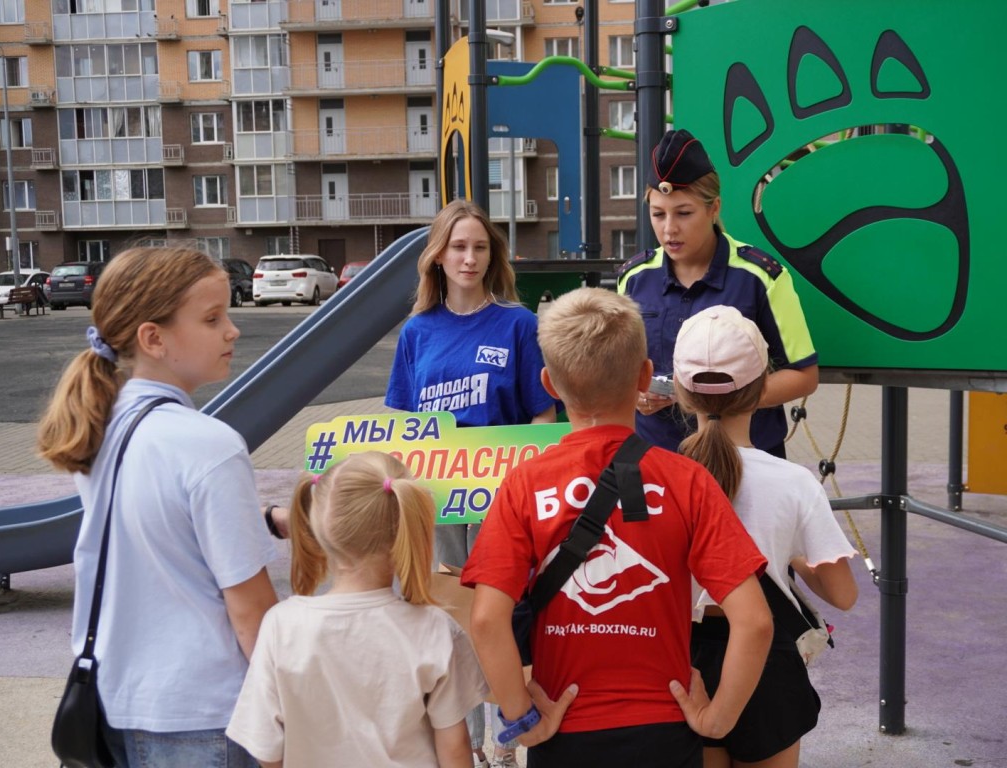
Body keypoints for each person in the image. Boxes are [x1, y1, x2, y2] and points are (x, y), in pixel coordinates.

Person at [462, 287, 775, 768]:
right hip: (665, 730)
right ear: (646, 375)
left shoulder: (524, 483)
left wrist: (522, 717)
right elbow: (754, 622)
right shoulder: (687, 481)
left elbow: (486, 619)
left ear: (548, 382)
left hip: (565, 730)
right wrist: (718, 721)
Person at [36, 246, 279, 766]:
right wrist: (291, 707)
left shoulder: (100, 423)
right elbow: (250, 612)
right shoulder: (209, 444)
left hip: (113, 696)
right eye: (213, 319)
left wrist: (269, 521)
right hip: (202, 712)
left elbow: (158, 530)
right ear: (154, 337)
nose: (233, 331)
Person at [386, 198, 557, 767]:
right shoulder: (417, 332)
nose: (469, 257)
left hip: (502, 503)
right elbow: (402, 429)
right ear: (437, 256)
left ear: (493, 254)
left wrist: (525, 485)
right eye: (458, 246)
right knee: (446, 621)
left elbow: (541, 418)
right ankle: (467, 744)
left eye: (479, 247)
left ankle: (507, 738)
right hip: (438, 506)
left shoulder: (518, 324)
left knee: (499, 618)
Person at [672, 305, 859, 768]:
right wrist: (791, 553)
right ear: (762, 391)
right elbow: (843, 594)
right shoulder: (793, 482)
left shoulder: (658, 479)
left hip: (680, 662)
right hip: (768, 666)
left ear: (679, 391)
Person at [227, 451, 489, 768]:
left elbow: (268, 750)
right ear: (405, 531)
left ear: (317, 528)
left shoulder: (281, 626)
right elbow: (455, 750)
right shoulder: (436, 629)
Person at [618, 128, 819, 457]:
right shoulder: (633, 279)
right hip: (658, 463)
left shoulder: (760, 277)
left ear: (714, 209)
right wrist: (634, 393)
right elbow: (623, 368)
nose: (669, 229)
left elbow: (804, 376)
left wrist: (718, 399)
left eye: (684, 213)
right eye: (658, 214)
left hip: (745, 463)